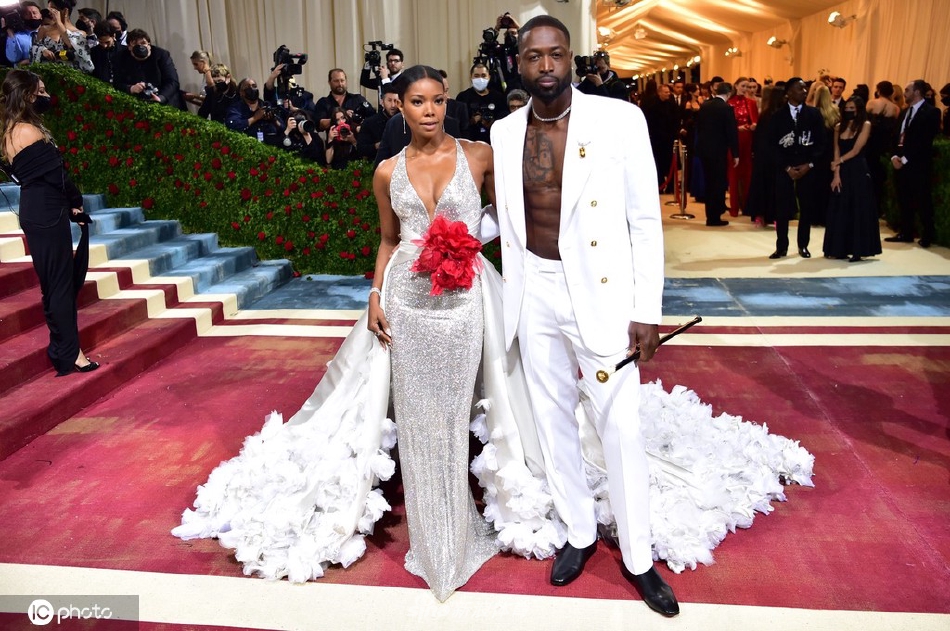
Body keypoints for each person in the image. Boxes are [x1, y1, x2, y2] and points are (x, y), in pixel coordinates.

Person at [490, 15, 678, 617]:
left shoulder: (620, 119)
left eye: (556, 54)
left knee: (620, 426)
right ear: (519, 63)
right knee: (552, 420)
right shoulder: (503, 131)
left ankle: (639, 558)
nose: (546, 65)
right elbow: (505, 214)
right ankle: (579, 530)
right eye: (534, 56)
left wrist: (646, 310)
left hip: (601, 292)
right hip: (534, 288)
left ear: (572, 57)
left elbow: (644, 221)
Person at [0, 69, 98, 376]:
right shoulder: (28, 131)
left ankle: (62, 349)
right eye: (40, 91)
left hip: (36, 210)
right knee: (58, 285)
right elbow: (58, 177)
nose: (45, 96)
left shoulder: (9, 131)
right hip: (47, 212)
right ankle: (71, 354)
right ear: (28, 96)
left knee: (54, 284)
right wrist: (76, 204)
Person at [769, 77, 826, 259]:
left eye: (805, 88)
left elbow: (821, 143)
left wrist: (809, 164)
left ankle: (803, 245)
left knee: (806, 207)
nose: (804, 91)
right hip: (784, 168)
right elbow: (772, 145)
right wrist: (786, 167)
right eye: (800, 88)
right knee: (782, 209)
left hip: (807, 167)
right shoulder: (777, 116)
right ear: (789, 92)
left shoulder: (814, 114)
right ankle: (781, 246)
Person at [823, 96, 881, 262]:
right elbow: (836, 150)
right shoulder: (838, 127)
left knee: (858, 209)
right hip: (842, 171)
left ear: (859, 110)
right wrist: (836, 173)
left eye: (852, 108)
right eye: (846, 108)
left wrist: (838, 162)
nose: (848, 111)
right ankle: (839, 248)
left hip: (858, 170)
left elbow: (856, 150)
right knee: (840, 208)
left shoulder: (865, 125)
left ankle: (858, 250)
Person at [886, 80, 941, 247]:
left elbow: (924, 140)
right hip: (900, 162)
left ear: (917, 92)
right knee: (903, 199)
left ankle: (927, 234)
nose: (904, 93)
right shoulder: (904, 112)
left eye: (907, 90)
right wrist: (894, 156)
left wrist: (905, 159)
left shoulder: (931, 112)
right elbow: (896, 136)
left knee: (922, 200)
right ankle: (906, 232)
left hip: (918, 164)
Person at [696, 81, 739, 227]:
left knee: (709, 183)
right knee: (718, 183)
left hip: (705, 150)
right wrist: (735, 153)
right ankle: (715, 216)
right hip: (719, 151)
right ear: (729, 93)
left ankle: (710, 215)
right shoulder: (726, 108)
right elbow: (731, 132)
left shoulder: (705, 105)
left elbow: (699, 127)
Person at [112, 29, 183, 109]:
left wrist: (161, 98)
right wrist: (131, 88)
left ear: (149, 44)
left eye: (143, 43)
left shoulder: (161, 55)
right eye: (135, 44)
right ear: (129, 47)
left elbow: (172, 81)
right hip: (137, 104)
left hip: (166, 102)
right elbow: (117, 83)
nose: (140, 47)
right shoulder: (121, 58)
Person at [29, 0, 94, 74]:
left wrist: (59, 23)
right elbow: (35, 47)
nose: (50, 13)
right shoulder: (44, 29)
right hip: (46, 72)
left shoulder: (80, 33)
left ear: (65, 11)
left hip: (69, 74)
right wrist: (42, 50)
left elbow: (79, 53)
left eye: (53, 9)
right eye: (49, 9)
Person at [727, 77, 758, 217]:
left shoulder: (751, 103)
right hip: (734, 139)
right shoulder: (729, 103)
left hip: (748, 139)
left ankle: (747, 206)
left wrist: (753, 126)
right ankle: (734, 207)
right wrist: (736, 128)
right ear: (736, 86)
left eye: (747, 86)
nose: (745, 89)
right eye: (743, 86)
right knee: (733, 173)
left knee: (748, 173)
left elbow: (755, 121)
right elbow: (727, 125)